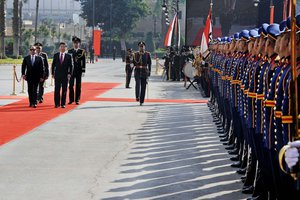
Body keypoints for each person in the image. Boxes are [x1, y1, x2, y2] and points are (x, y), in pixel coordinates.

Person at [51, 42, 73, 108]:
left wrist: (69, 74)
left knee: (64, 90)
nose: (63, 48)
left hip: (65, 75)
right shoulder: (56, 55)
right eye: (61, 46)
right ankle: (57, 103)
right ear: (59, 48)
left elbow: (71, 66)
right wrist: (52, 73)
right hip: (57, 75)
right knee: (57, 90)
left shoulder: (69, 56)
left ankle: (63, 103)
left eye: (64, 47)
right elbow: (53, 65)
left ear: (66, 48)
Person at [68, 36, 86, 105]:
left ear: (79, 44)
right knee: (71, 85)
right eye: (74, 43)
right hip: (71, 71)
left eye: (77, 43)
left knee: (78, 86)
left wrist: (83, 71)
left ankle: (77, 99)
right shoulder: (70, 51)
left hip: (79, 71)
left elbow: (83, 62)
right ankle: (71, 99)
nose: (76, 44)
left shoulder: (82, 51)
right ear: (73, 44)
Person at [133, 41, 152, 106]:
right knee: (137, 83)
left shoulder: (147, 54)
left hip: (144, 71)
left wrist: (149, 71)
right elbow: (133, 63)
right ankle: (137, 96)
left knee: (143, 86)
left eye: (142, 46)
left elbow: (149, 63)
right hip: (137, 70)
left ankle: (141, 100)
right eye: (140, 46)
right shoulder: (135, 54)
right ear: (138, 47)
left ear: (144, 47)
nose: (141, 47)